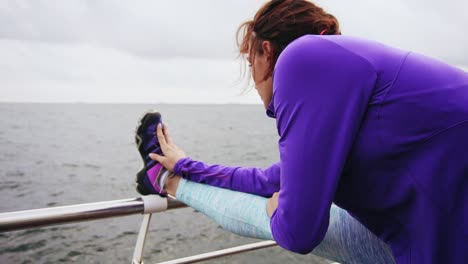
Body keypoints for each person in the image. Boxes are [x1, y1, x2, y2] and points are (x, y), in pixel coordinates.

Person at [134, 0, 468, 263]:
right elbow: (269, 180)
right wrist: (185, 163)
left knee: (272, 215)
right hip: (440, 240)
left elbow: (298, 232)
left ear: (266, 51)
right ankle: (167, 178)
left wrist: (277, 209)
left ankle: (164, 181)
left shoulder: (301, 57)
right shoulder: (354, 92)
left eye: (250, 63)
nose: (252, 77)